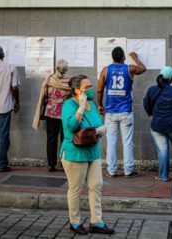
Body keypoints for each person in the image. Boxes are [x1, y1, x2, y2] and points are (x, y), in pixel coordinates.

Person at [60, 75, 114, 235]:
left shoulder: (91, 103)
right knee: (76, 188)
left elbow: (94, 124)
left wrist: (100, 131)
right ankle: (75, 222)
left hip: (93, 151)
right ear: (77, 90)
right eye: (86, 88)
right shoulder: (69, 104)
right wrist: (81, 107)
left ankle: (96, 221)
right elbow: (71, 126)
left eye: (91, 86)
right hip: (75, 153)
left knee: (96, 186)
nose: (90, 90)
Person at [97, 47, 146, 178]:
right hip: (126, 112)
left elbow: (100, 90)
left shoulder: (105, 70)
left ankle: (111, 170)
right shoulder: (130, 68)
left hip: (111, 112)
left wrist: (100, 105)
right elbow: (143, 68)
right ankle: (128, 170)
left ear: (112, 57)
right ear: (123, 57)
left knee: (111, 142)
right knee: (127, 142)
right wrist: (135, 57)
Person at [143, 66, 172, 182]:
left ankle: (163, 176)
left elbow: (146, 104)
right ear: (171, 78)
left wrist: (152, 114)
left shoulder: (152, 90)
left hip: (157, 125)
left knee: (163, 152)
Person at [32, 59, 72, 172]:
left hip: (51, 113)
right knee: (66, 139)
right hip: (66, 114)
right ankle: (65, 163)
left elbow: (44, 96)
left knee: (51, 139)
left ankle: (51, 164)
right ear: (66, 69)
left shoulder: (49, 79)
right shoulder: (70, 81)